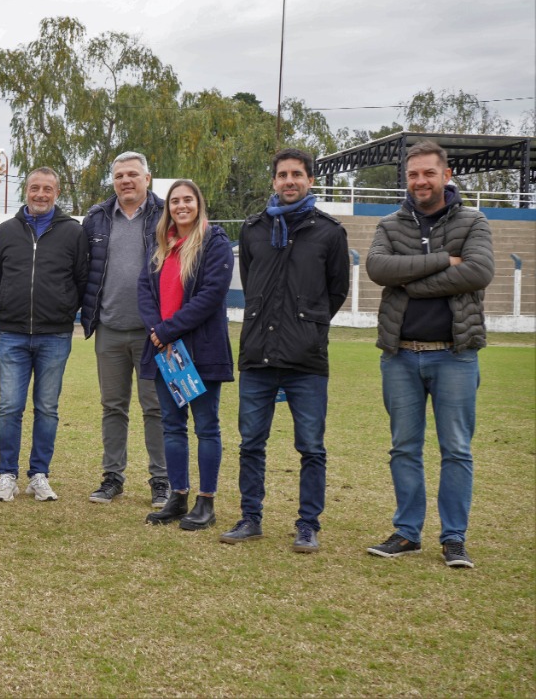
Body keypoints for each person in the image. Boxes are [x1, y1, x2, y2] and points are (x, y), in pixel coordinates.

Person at [364, 140, 494, 569]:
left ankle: (454, 538)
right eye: (413, 174)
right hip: (400, 355)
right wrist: (443, 262)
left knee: (456, 448)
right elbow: (379, 270)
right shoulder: (390, 223)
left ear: (447, 175)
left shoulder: (474, 221)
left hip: (455, 356)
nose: (420, 181)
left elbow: (478, 271)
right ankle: (407, 533)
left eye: (428, 173)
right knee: (404, 448)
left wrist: (411, 281)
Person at [220, 149, 349, 553]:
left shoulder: (329, 232)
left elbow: (336, 291)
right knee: (250, 443)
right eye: (282, 175)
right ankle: (250, 517)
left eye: (297, 174)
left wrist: (307, 327)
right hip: (258, 354)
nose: (289, 181)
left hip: (306, 360)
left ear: (310, 180)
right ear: (273, 180)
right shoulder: (255, 228)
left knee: (311, 446)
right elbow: (251, 282)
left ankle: (308, 524)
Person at [0, 167, 89, 502]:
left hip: (55, 335)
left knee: (47, 407)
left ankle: (39, 474)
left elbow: (81, 279)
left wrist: (64, 311)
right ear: (26, 191)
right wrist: (1, 316)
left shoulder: (73, 232)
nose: (40, 194)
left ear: (57, 193)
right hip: (13, 335)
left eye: (47, 189)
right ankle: (6, 475)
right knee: (9, 406)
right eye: (34, 188)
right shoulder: (5, 232)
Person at [137, 179, 233, 530]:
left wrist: (165, 331)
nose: (181, 206)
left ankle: (205, 502)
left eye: (188, 200)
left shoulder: (215, 241)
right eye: (175, 200)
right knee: (172, 427)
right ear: (168, 207)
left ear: (199, 203)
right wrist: (156, 330)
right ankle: (177, 497)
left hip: (201, 350)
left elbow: (210, 295)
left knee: (207, 428)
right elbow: (144, 290)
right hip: (166, 352)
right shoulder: (160, 243)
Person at [80, 151, 170, 508]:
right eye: (119, 176)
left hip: (155, 334)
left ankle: (162, 480)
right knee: (112, 407)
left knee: (156, 409)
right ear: (113, 181)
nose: (126, 181)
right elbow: (85, 269)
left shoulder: (166, 215)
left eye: (133, 174)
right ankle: (112, 477)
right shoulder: (96, 218)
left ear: (147, 178)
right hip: (110, 329)